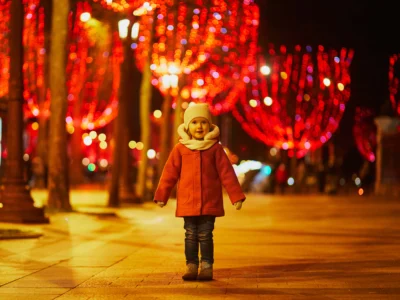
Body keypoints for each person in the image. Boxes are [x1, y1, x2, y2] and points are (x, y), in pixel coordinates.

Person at [154, 103, 245, 281]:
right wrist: (162, 195)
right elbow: (169, 173)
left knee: (205, 234)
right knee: (190, 235)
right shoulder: (180, 149)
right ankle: (191, 265)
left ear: (209, 126)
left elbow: (227, 174)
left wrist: (236, 197)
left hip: (209, 202)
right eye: (194, 122)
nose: (199, 126)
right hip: (188, 201)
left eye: (203, 122)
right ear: (188, 126)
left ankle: (207, 266)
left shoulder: (215, 149)